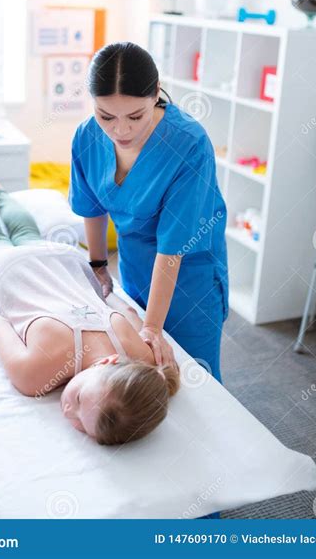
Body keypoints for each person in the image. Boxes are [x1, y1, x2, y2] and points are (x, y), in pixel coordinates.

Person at [0, 177, 180, 445]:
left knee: (27, 233)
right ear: (106, 363)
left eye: (81, 425)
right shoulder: (34, 376)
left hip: (64, 261)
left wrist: (105, 292)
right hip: (8, 269)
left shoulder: (141, 356)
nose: (70, 411)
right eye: (80, 399)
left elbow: (127, 310)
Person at [69, 42, 229, 384]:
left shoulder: (188, 144)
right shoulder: (86, 136)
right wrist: (98, 266)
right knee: (143, 374)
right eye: (106, 116)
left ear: (156, 94)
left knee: (193, 379)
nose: (120, 130)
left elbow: (174, 246)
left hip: (189, 277)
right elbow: (91, 207)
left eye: (135, 116)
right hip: (137, 267)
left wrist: (153, 326)